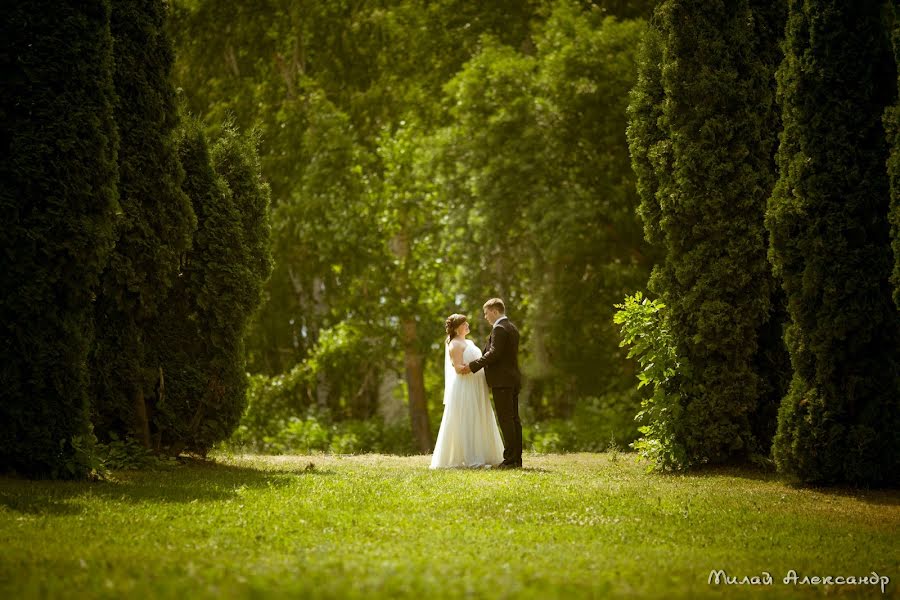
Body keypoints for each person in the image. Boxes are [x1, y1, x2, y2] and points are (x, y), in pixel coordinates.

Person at [430, 313, 505, 469]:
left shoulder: (468, 342)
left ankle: (486, 454)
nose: (467, 325)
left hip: (477, 385)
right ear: (457, 328)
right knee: (469, 418)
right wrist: (468, 368)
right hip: (465, 386)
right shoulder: (454, 345)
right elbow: (457, 368)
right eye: (464, 324)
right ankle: (473, 460)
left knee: (480, 415)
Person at [461, 298, 523, 469]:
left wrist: (473, 366)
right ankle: (516, 459)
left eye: (486, 313)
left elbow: (494, 353)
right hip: (513, 379)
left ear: (495, 311)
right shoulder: (512, 327)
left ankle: (510, 460)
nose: (485, 316)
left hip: (503, 381)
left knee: (506, 420)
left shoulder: (500, 328)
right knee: (514, 420)